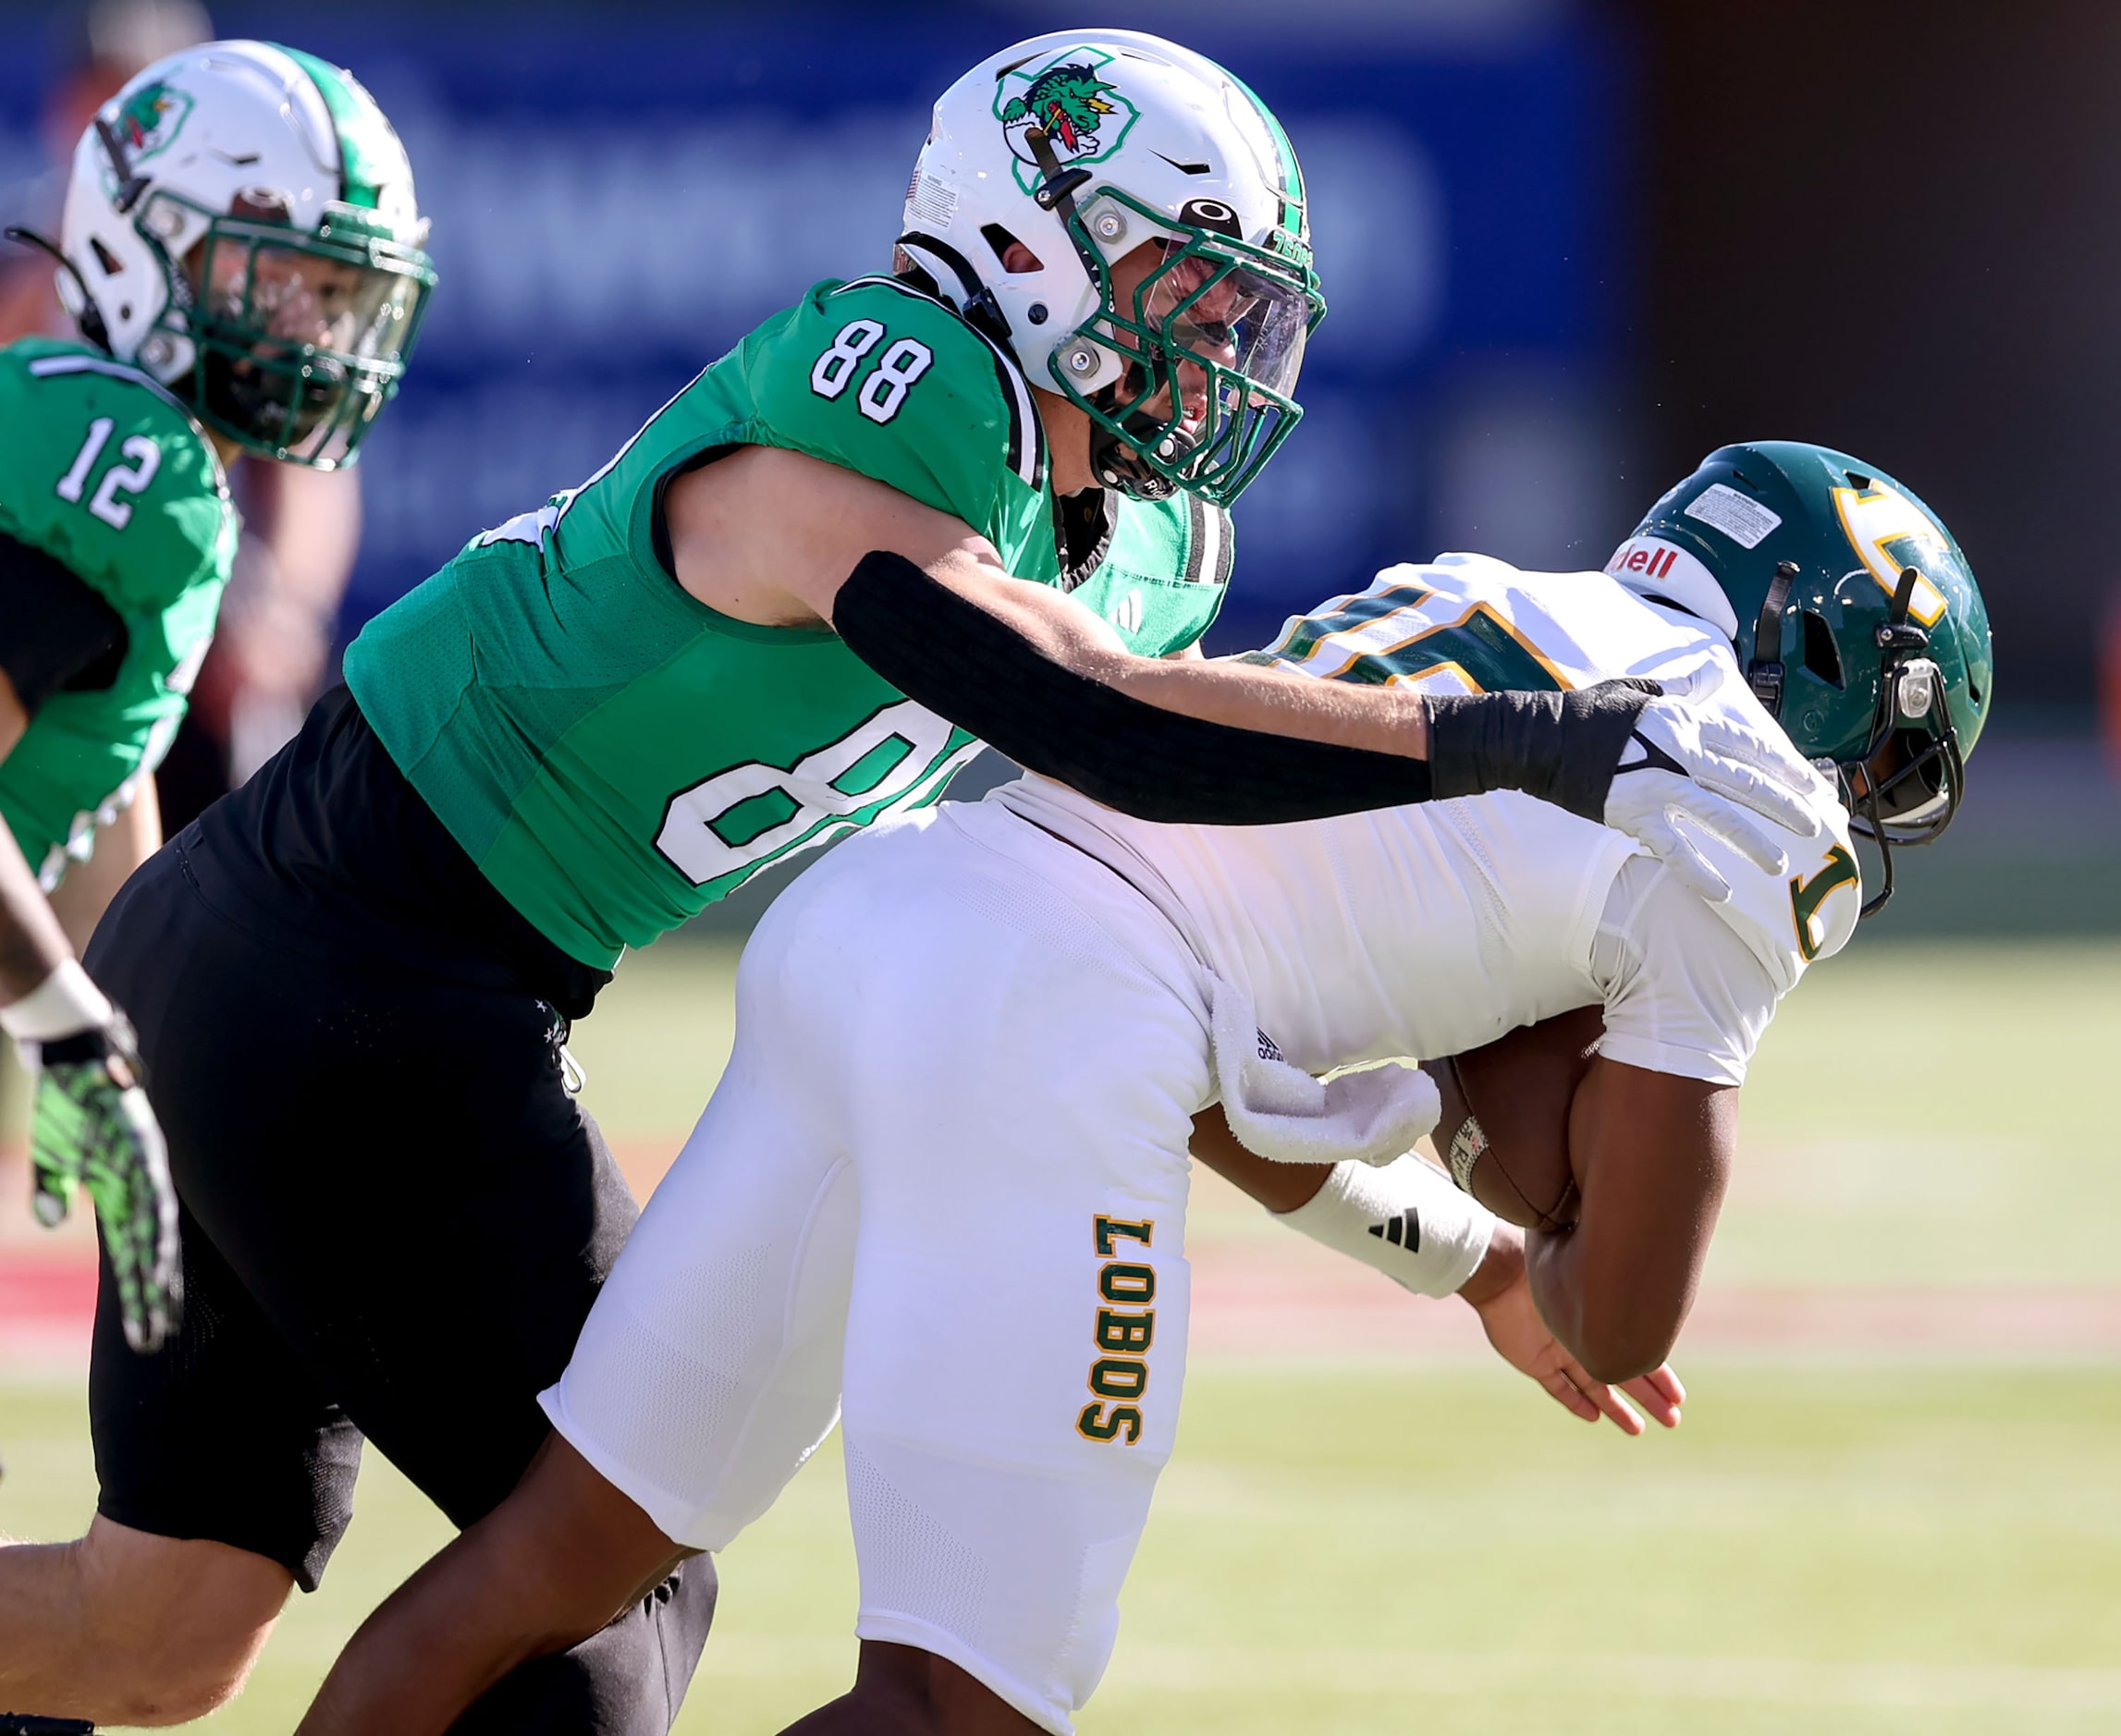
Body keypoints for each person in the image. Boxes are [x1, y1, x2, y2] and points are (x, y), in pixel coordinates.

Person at [0, 30, 1817, 1731]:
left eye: (1241, 311)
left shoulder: (1155, 549)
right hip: (358, 961)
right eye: (1179, 289)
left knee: (157, 1626)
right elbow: (1080, 711)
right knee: (603, 1598)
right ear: (1025, 248)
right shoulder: (902, 380)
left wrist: (1470, 1256)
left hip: (306, 960)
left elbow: (1153, 972)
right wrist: (1505, 739)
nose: (1219, 348)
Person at [288, 440, 1991, 1736]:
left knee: (547, 1564)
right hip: (1051, 1004)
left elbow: (1202, 1046)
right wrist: (1539, 1199)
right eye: (1893, 752)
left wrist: (1471, 1255)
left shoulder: (1502, 596)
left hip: (888, 916)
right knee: (963, 1703)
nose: (1868, 800)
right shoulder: (1746, 810)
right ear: (1833, 664)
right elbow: (1625, 1321)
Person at [0, 37, 430, 1368]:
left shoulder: (139, 448)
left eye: (333, 288)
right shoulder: (118, 462)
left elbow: (97, 765)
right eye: (280, 280)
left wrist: (128, 1029)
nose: (311, 325)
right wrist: (65, 1031)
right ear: (142, 250)